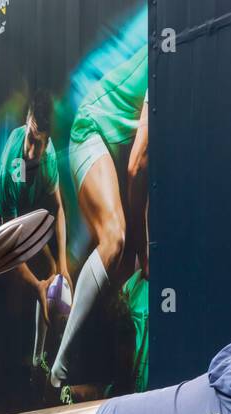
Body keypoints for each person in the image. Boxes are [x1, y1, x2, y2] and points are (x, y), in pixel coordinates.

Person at [50, 41, 149, 394]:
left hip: (114, 146)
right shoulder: (162, 73)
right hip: (91, 129)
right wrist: (140, 243)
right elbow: (137, 166)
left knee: (124, 266)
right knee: (116, 238)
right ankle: (61, 362)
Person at [0, 90, 72, 386]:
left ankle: (39, 364)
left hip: (28, 213)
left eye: (39, 143)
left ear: (48, 140)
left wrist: (61, 265)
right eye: (30, 139)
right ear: (27, 124)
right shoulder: (15, 163)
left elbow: (60, 208)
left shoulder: (48, 160)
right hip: (0, 213)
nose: (32, 150)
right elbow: (11, 241)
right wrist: (35, 284)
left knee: (55, 276)